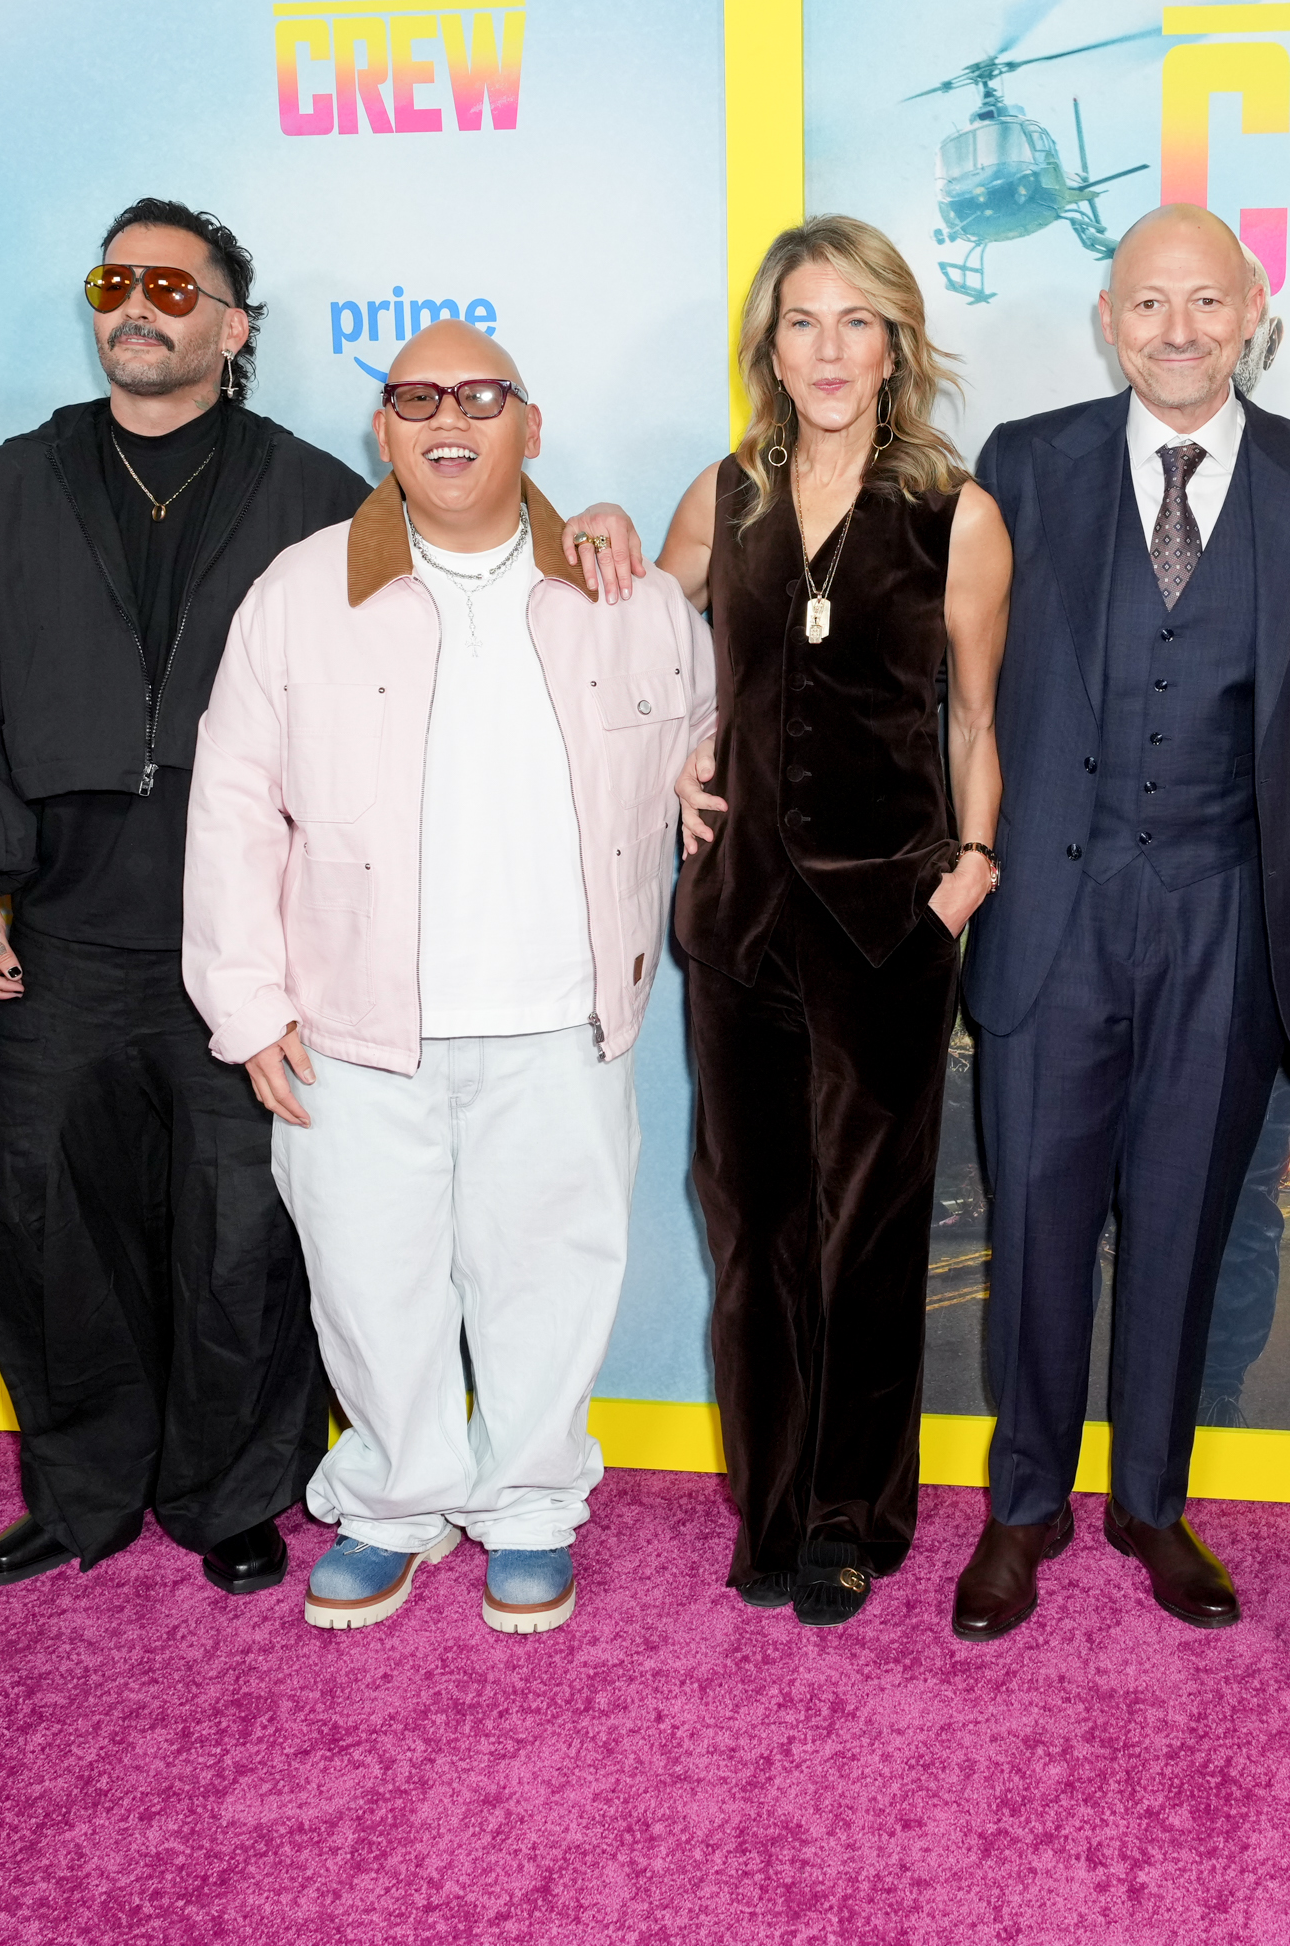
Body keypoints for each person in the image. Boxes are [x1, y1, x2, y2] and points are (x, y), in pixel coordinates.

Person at [183, 320, 710, 1635]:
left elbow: (700, 743)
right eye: (416, 397)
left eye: (480, 394)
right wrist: (245, 1001)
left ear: (530, 422)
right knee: (369, 1281)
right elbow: (235, 800)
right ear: (385, 433)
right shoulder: (301, 593)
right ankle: (392, 1504)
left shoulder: (627, 597)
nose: (447, 417)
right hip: (353, 1027)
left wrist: (705, 784)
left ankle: (531, 1507)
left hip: (561, 1015)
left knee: (550, 1275)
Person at [950, 205, 1290, 1641]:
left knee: (1192, 1227)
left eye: (1207, 302)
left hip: (1231, 913)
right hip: (1054, 912)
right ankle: (1024, 1509)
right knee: (1040, 1226)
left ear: (1257, 306)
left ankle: (1151, 1501)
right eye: (1150, 304)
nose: (1179, 330)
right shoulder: (1021, 463)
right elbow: (946, 681)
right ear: (1107, 317)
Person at [659, 217, 1011, 1625]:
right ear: (770, 342)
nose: (828, 349)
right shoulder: (724, 493)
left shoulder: (955, 510)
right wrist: (677, 753)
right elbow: (624, 648)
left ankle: (854, 1512)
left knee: (870, 1227)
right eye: (803, 320)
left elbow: (978, 711)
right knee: (754, 1223)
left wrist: (971, 862)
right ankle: (775, 1499)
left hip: (888, 916)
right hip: (739, 916)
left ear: (896, 344)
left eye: (856, 321)